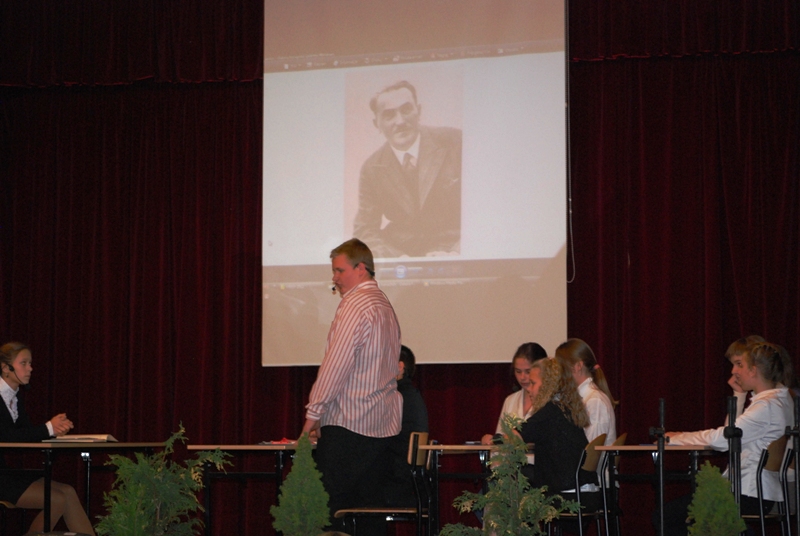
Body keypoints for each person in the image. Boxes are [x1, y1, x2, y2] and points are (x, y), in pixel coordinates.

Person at [301, 239, 403, 532]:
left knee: (330, 514)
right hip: (381, 427)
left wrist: (313, 414)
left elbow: (336, 364)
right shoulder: (384, 304)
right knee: (370, 513)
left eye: (339, 270)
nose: (334, 278)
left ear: (361, 268)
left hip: (350, 424)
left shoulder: (355, 305)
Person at [659, 341, 794, 536]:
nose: (734, 371)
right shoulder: (781, 400)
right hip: (758, 492)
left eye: (740, 365)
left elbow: (723, 439)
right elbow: (732, 433)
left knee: (665, 517)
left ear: (753, 370)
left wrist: (676, 438)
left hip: (749, 493)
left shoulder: (766, 406)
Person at [352, 80, 462, 258]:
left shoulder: (455, 142)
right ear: (376, 124)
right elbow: (365, 231)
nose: (400, 121)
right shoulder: (372, 168)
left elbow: (482, 208)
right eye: (389, 115)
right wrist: (398, 260)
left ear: (419, 111)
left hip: (455, 249)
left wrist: (457, 251)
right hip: (403, 254)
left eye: (406, 110)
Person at [0, 342, 96, 535]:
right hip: (2, 476)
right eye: (24, 363)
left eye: (30, 363)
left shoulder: (15, 398)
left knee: (68, 491)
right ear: (6, 368)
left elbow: (27, 434)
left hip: (8, 473)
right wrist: (49, 428)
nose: (30, 368)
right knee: (56, 499)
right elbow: (6, 436)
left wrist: (54, 431)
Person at [517, 358, 601, 512]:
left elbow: (516, 436)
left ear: (547, 385)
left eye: (533, 383)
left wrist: (492, 439)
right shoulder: (566, 409)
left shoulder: (549, 413)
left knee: (510, 479)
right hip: (587, 491)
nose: (528, 389)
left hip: (567, 495)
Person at [481, 342, 548, 452]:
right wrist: (492, 440)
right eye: (518, 371)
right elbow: (500, 439)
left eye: (528, 371)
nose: (522, 377)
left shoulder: (551, 403)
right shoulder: (510, 400)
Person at [385, 345, 429, 507]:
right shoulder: (411, 395)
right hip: (411, 481)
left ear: (399, 367)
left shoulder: (395, 397)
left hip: (395, 482)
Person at [554, 338, 617, 446]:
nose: (559, 374)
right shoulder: (581, 398)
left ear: (578, 366)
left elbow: (591, 450)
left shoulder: (595, 402)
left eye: (562, 368)